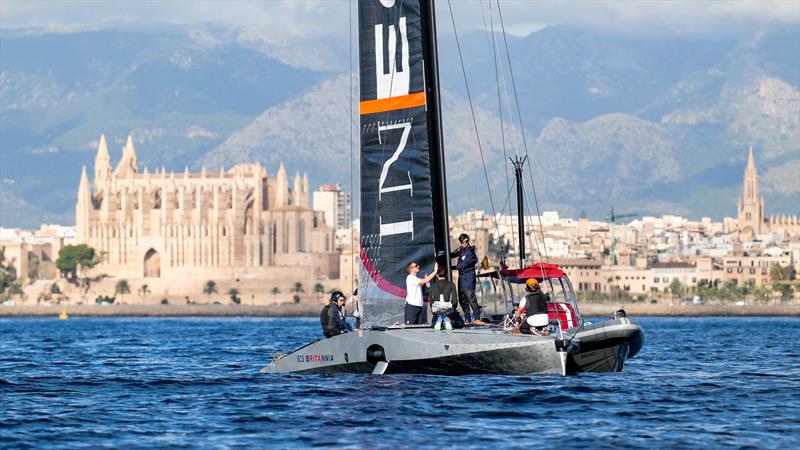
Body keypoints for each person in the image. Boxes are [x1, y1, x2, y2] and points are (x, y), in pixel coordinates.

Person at [450, 233, 480, 323]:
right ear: (461, 242)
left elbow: (463, 265)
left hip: (469, 277)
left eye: (467, 241)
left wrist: (452, 267)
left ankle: (477, 318)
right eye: (463, 242)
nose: (465, 243)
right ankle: (467, 318)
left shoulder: (470, 251)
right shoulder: (461, 250)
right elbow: (452, 254)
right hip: (461, 278)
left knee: (471, 297)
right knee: (462, 299)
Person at [405, 260, 438, 325]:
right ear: (411, 269)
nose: (418, 266)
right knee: (410, 327)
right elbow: (426, 280)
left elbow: (421, 283)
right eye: (416, 266)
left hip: (418, 306)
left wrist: (425, 280)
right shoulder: (410, 278)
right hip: (412, 306)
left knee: (418, 327)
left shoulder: (415, 278)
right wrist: (435, 271)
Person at [429, 268, 457, 332]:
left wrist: (432, 310)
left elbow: (430, 300)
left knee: (436, 320)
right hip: (448, 308)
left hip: (436, 309)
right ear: (446, 275)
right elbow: (455, 301)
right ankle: (446, 319)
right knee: (453, 318)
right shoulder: (451, 284)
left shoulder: (432, 286)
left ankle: (440, 319)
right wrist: (453, 309)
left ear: (437, 275)